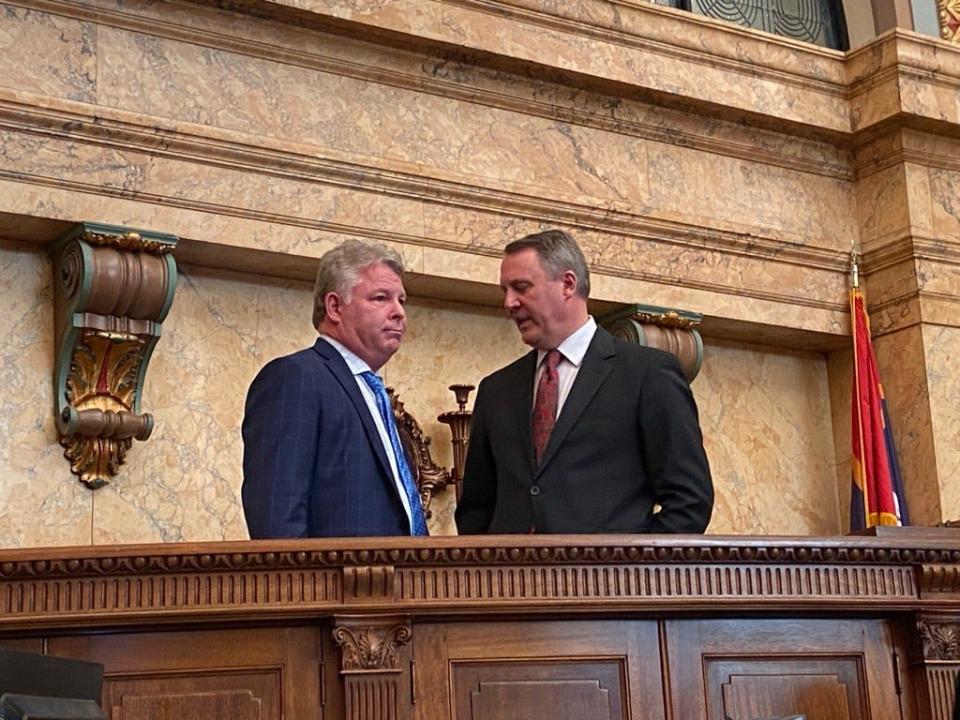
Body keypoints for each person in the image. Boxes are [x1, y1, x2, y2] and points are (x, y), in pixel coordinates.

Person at [455, 229, 713, 534]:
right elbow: (476, 510)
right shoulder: (496, 390)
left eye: (521, 288)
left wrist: (634, 571)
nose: (509, 303)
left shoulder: (647, 375)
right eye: (505, 291)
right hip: (510, 578)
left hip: (612, 579)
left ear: (567, 284)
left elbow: (689, 501)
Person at [241, 240, 428, 538]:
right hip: (334, 583)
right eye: (381, 298)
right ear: (335, 307)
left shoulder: (373, 393)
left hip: (401, 581)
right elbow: (277, 521)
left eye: (401, 301)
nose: (399, 313)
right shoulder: (296, 378)